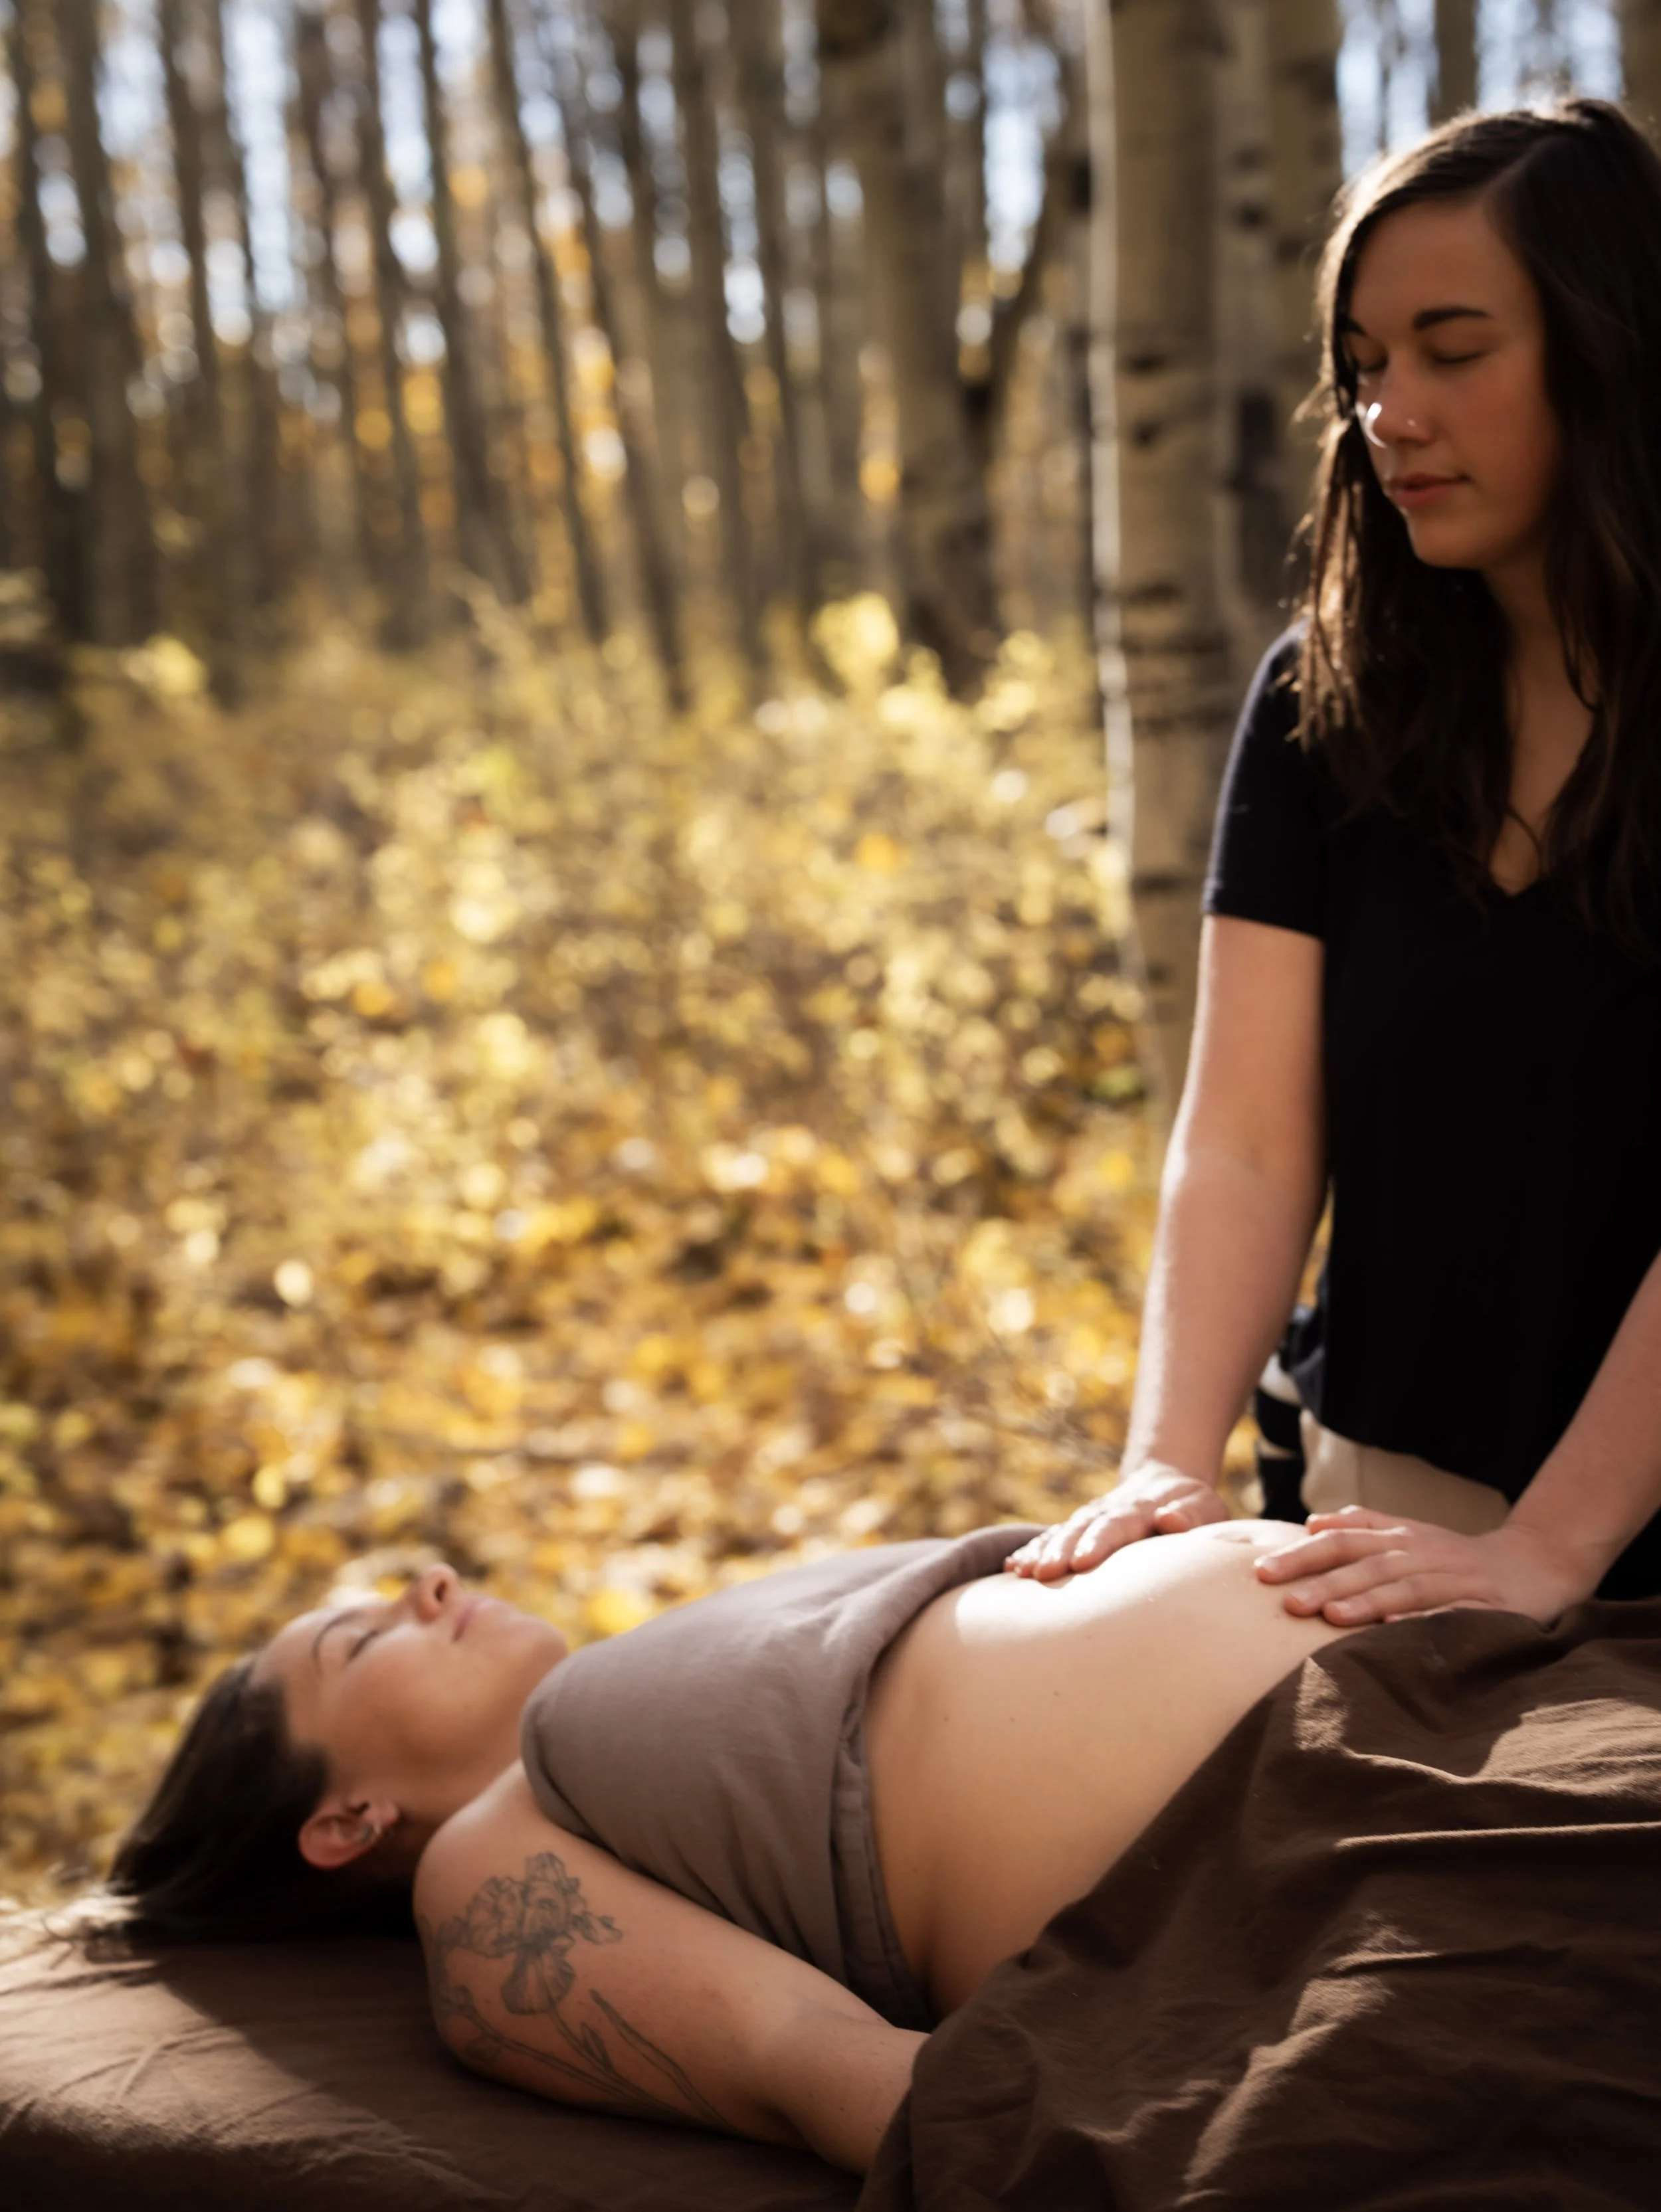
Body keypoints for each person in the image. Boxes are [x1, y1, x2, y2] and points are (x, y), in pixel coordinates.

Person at [1010, 98, 1661, 1625]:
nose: (1390, 415)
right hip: (1376, 1513)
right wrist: (1165, 1463)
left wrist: (1550, 1552)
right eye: (1362, 368)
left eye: (1451, 349)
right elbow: (1242, 1138)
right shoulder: (1329, 701)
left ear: (1611, 346)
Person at [108, 1522, 1356, 2173]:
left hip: (1427, 1691)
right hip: (1308, 1851)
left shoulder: (635, 1723)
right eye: (360, 1640)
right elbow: (816, 2068)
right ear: (347, 1821)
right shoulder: (486, 1870)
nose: (428, 1582)